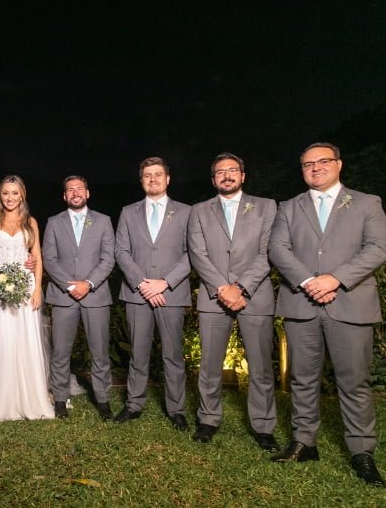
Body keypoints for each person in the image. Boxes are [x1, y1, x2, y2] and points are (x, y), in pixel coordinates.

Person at [269, 143, 386, 486]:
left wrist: (336, 278)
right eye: (308, 164)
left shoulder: (366, 202)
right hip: (301, 304)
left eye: (323, 161)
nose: (315, 167)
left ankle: (361, 451)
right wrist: (308, 281)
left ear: (339, 164)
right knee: (302, 378)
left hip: (349, 303)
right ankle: (304, 442)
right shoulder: (289, 207)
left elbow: (378, 247)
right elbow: (277, 248)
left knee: (354, 381)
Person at [187, 153, 278, 448]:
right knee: (209, 364)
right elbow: (197, 254)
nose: (226, 175)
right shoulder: (199, 211)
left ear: (243, 175)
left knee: (261, 366)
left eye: (232, 170)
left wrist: (241, 288)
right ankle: (208, 419)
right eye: (220, 172)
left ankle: (263, 426)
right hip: (214, 297)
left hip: (255, 296)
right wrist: (221, 288)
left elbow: (268, 252)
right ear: (213, 179)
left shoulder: (266, 206)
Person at [115, 157, 191, 429]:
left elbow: (191, 253)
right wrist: (142, 283)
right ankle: (134, 404)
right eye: (147, 175)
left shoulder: (186, 212)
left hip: (171, 293)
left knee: (173, 354)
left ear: (167, 179)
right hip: (137, 294)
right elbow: (121, 251)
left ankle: (176, 409)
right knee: (138, 352)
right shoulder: (128, 212)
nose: (153, 179)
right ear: (141, 181)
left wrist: (165, 283)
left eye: (158, 174)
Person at [0, 175, 54, 420]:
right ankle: (0, 401)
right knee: (2, 339)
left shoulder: (30, 222)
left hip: (25, 286)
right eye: (5, 193)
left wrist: (37, 289)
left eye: (14, 193)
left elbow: (37, 258)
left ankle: (28, 398)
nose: (10, 198)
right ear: (0, 195)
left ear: (22, 195)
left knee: (24, 339)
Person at [43, 175, 115, 420]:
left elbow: (108, 258)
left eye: (79, 189)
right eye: (70, 190)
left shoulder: (103, 221)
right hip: (64, 296)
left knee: (100, 351)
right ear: (65, 196)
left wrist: (89, 283)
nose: (75, 193)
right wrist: (71, 286)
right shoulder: (54, 222)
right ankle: (60, 399)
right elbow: (49, 259)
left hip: (96, 295)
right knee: (60, 351)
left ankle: (103, 399)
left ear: (87, 193)